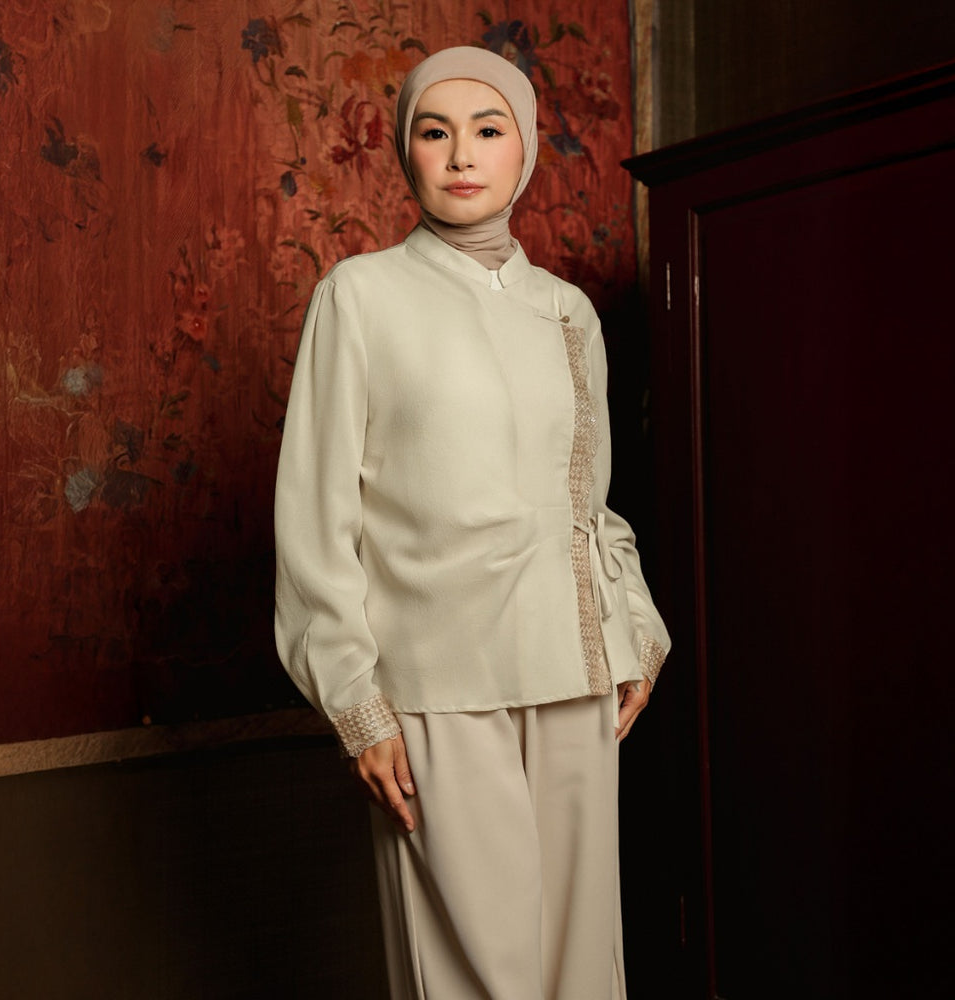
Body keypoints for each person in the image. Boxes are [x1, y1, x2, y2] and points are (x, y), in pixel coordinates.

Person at [274, 45, 671, 1000]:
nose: (461, 154)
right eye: (434, 131)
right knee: (474, 979)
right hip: (435, 686)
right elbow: (315, 523)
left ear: (523, 149)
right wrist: (357, 707)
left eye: (488, 130)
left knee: (581, 973)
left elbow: (589, 504)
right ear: (405, 152)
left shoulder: (568, 313)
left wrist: (635, 631)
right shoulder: (359, 297)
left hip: (573, 673)